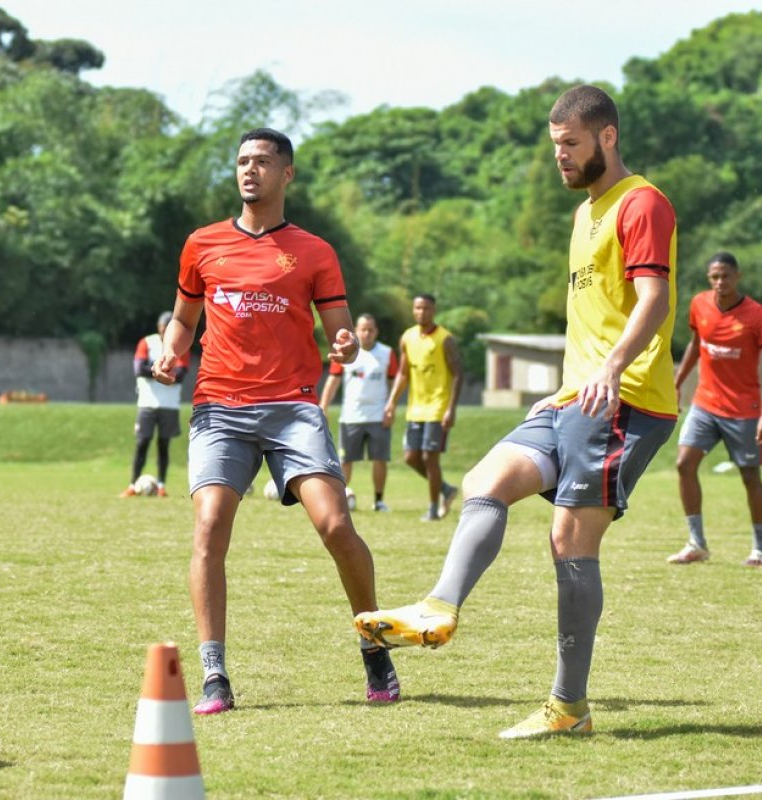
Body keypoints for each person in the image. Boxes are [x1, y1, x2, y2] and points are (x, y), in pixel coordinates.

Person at [354, 85, 678, 739]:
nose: (560, 157)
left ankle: (568, 709)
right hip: (574, 398)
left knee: (570, 542)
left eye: (571, 145)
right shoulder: (585, 214)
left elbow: (655, 300)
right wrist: (565, 384)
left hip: (626, 398)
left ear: (607, 138)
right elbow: (594, 317)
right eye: (555, 145)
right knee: (483, 482)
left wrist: (610, 371)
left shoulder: (641, 203)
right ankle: (436, 609)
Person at [151, 127, 399, 715]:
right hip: (220, 407)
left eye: (262, 161)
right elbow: (184, 321)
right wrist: (170, 349)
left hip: (293, 408)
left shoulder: (314, 251)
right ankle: (215, 674)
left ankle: (373, 644)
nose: (249, 170)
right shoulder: (202, 244)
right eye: (242, 161)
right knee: (209, 525)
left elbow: (342, 334)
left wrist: (343, 347)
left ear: (287, 173)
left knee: (336, 525)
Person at [667, 252, 762, 567]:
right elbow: (695, 344)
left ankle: (759, 549)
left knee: (750, 476)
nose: (720, 282)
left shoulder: (756, 315)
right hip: (705, 404)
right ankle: (696, 543)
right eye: (715, 277)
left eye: (726, 276)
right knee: (683, 464)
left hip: (744, 411)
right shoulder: (699, 304)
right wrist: (677, 383)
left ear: (737, 276)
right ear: (709, 279)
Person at [384, 294, 463, 521]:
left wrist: (451, 408)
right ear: (413, 310)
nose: (421, 312)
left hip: (438, 408)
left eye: (426, 308)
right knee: (410, 458)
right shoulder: (407, 338)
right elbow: (402, 373)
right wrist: (391, 402)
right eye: (417, 308)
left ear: (434, 310)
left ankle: (432, 508)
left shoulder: (445, 339)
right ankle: (446, 489)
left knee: (430, 457)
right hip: (415, 409)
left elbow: (458, 374)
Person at [319, 313, 399, 513]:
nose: (367, 333)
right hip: (351, 415)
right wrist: (323, 406)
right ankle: (340, 499)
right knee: (346, 460)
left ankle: (379, 500)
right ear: (356, 330)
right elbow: (333, 380)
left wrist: (391, 407)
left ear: (376, 332)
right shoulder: (347, 352)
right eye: (363, 329)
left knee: (379, 459)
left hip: (377, 416)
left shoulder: (387, 353)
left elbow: (393, 383)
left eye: (370, 330)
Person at [120, 311, 190, 498]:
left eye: (168, 327)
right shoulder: (147, 342)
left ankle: (161, 485)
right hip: (147, 402)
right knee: (142, 442)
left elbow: (182, 373)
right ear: (158, 327)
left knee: (163, 445)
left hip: (169, 404)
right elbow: (138, 369)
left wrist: (155, 368)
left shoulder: (180, 345)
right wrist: (162, 370)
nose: (164, 329)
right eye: (162, 326)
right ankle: (132, 485)